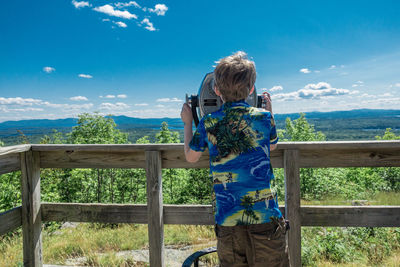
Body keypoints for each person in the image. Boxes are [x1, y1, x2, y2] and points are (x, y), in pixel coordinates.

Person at [180, 51, 290, 267]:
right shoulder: (264, 118)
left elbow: (191, 157)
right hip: (266, 217)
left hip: (229, 220)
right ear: (251, 90)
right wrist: (269, 111)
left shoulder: (209, 123)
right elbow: (273, 144)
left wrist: (187, 123)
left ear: (216, 90)